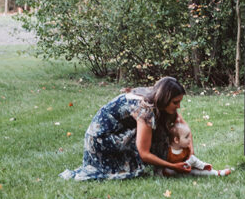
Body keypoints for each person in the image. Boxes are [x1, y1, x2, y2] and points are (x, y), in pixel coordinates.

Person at [60, 76, 193, 181]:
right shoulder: (145, 109)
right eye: (175, 102)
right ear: (164, 99)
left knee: (162, 126)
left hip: (116, 131)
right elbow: (144, 153)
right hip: (101, 140)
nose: (179, 106)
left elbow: (181, 124)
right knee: (156, 132)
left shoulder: (155, 95)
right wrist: (172, 166)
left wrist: (191, 152)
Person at [164, 121, 231, 177]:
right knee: (192, 160)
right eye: (186, 137)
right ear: (176, 140)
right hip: (172, 170)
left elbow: (190, 162)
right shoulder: (167, 151)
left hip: (186, 169)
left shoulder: (186, 149)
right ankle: (202, 166)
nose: (189, 139)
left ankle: (216, 173)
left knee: (196, 169)